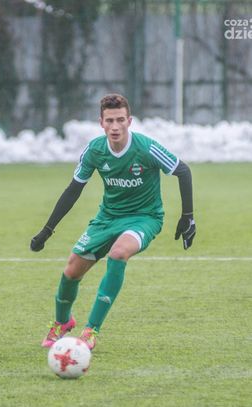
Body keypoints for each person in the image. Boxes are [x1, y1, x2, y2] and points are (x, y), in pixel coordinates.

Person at [30, 93, 196, 350]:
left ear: (129, 121)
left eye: (120, 120)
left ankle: (91, 330)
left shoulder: (146, 148)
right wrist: (47, 230)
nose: (115, 126)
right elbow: (74, 189)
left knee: (118, 253)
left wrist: (188, 217)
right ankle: (62, 322)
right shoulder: (95, 150)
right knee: (71, 271)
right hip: (107, 218)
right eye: (110, 121)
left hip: (145, 218)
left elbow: (183, 171)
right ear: (101, 123)